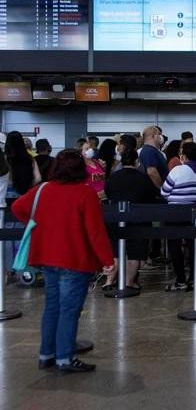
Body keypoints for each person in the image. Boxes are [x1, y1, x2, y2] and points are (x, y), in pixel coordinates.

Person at [12, 149, 115, 373]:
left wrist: (36, 223)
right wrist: (108, 261)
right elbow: (95, 233)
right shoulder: (85, 194)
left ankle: (46, 355)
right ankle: (65, 359)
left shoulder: (43, 189)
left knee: (52, 308)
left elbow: (17, 207)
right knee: (69, 310)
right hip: (75, 260)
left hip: (48, 258)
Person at [103, 148, 160, 291]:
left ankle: (109, 281)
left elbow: (108, 194)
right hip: (138, 219)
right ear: (137, 161)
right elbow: (152, 197)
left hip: (115, 218)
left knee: (116, 251)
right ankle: (129, 282)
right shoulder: (143, 177)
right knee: (135, 252)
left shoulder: (113, 177)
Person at [161, 142, 196, 291]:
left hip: (174, 213)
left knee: (175, 246)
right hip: (194, 213)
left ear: (185, 155)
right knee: (193, 245)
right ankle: (193, 279)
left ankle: (180, 280)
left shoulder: (178, 170)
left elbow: (164, 192)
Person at [5, 131, 42, 202]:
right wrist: (28, 185)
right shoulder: (30, 158)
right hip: (26, 195)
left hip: (7, 196)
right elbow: (38, 178)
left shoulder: (5, 159)